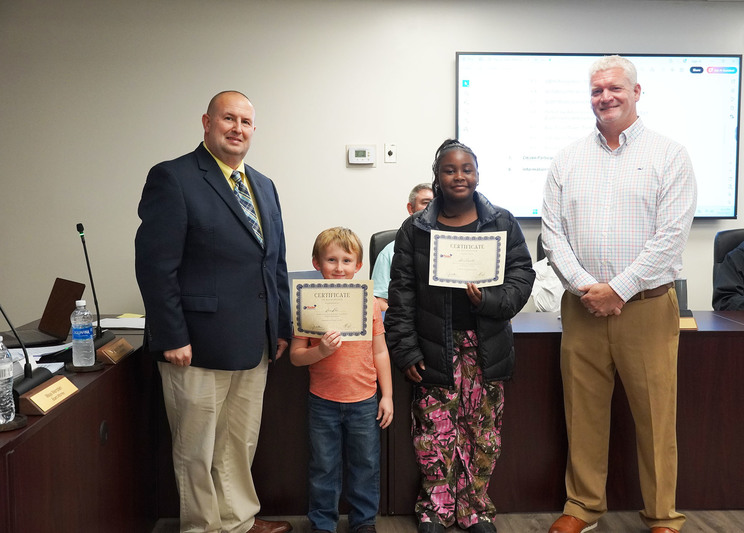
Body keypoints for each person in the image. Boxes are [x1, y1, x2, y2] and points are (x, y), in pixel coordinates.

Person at [542, 56, 697, 533]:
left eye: (613, 88)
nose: (604, 97)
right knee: (583, 414)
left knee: (655, 418)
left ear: (636, 92)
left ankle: (662, 515)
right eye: (596, 90)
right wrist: (589, 289)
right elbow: (551, 233)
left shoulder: (669, 155)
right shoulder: (567, 158)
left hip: (647, 308)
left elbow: (671, 235)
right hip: (582, 307)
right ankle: (582, 508)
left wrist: (619, 290)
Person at [135, 91, 292, 533]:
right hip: (196, 344)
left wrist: (279, 327)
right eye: (228, 118)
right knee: (197, 448)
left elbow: (273, 262)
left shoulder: (263, 185)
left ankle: (237, 520)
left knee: (238, 442)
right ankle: (201, 527)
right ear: (207, 121)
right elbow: (155, 267)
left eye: (246, 121)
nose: (237, 128)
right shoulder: (174, 178)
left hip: (254, 342)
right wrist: (171, 336)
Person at [384, 139, 534, 533]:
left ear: (477, 174)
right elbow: (401, 295)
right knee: (434, 434)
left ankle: (475, 510)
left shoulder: (501, 221)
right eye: (450, 170)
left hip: (486, 348)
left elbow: (522, 277)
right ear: (437, 178)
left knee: (481, 434)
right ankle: (435, 509)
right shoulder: (416, 229)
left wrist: (489, 300)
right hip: (434, 346)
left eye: (467, 168)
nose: (459, 176)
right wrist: (405, 349)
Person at [290, 227, 394, 533]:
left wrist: (386, 395)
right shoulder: (306, 302)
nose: (339, 267)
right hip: (322, 401)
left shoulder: (371, 303)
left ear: (358, 265)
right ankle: (323, 523)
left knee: (366, 465)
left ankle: (363, 522)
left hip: (363, 401)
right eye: (331, 260)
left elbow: (380, 352)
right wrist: (320, 350)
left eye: (346, 260)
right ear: (316, 263)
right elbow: (297, 356)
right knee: (323, 466)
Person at [372, 183, 434, 311]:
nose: (431, 208)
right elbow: (378, 301)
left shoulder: (447, 249)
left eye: (435, 203)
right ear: (410, 209)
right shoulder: (389, 252)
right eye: (426, 202)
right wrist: (406, 318)